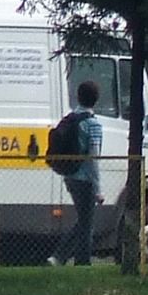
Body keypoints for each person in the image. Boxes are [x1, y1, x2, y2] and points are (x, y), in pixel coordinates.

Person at [51, 80, 104, 267]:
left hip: (69, 176)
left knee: (83, 221)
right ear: (96, 100)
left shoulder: (70, 119)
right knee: (87, 225)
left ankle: (60, 257)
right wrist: (98, 189)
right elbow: (93, 159)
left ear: (78, 97)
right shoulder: (93, 125)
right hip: (85, 180)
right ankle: (78, 262)